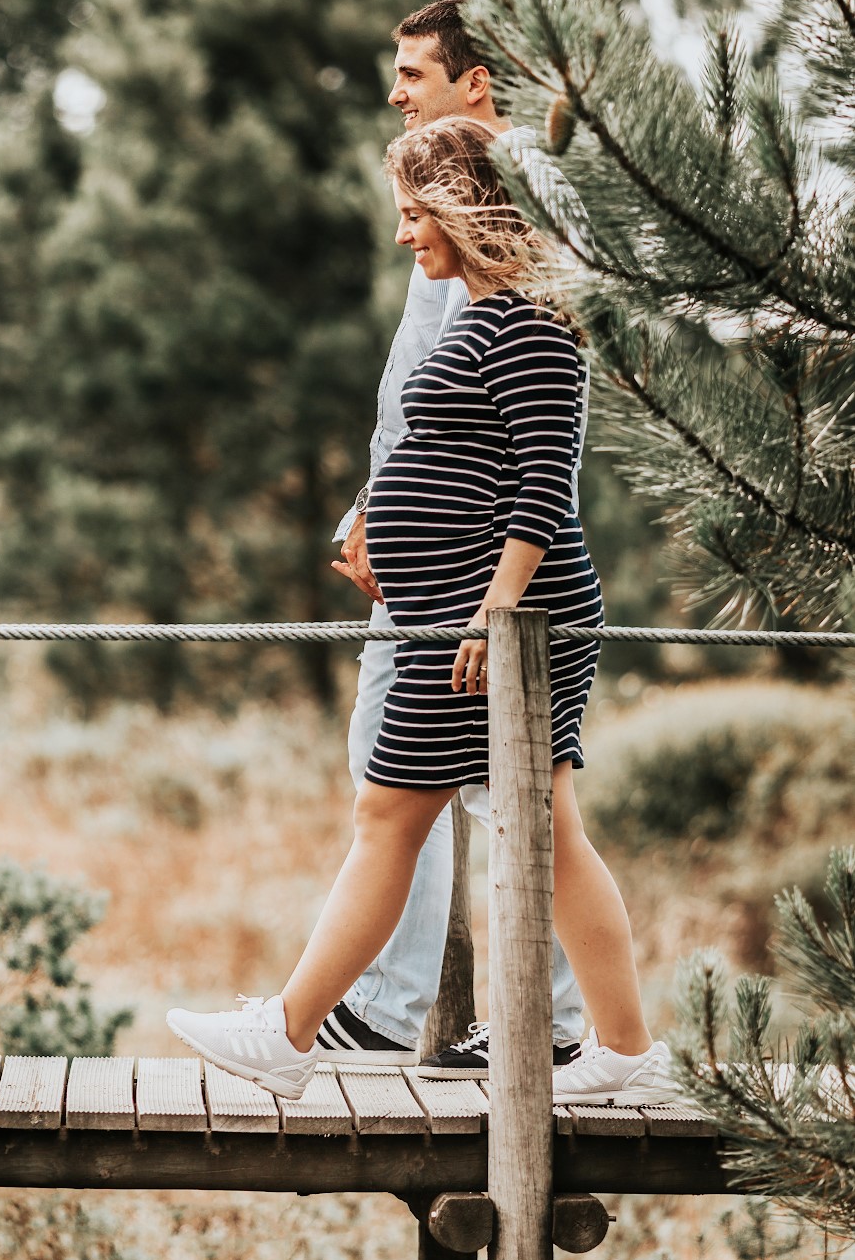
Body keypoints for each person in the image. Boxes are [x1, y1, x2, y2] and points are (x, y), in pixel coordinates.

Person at [168, 114, 676, 1107]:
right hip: (459, 622)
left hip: (494, 630)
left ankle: (291, 1030)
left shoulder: (531, 320)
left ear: (463, 207)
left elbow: (543, 485)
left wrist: (494, 611)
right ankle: (619, 1051)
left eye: (414, 214)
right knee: (511, 825)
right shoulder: (490, 314)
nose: (404, 236)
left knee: (402, 818)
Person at [318, 0, 585, 1079]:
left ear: (476, 81)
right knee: (480, 794)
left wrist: (398, 521)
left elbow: (497, 416)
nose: (395, 87)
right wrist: (374, 504)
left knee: (457, 792)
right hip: (437, 559)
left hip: (464, 576)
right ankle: (540, 1018)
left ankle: (403, 1010)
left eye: (415, 70)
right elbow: (420, 398)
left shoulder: (487, 204)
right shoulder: (453, 187)